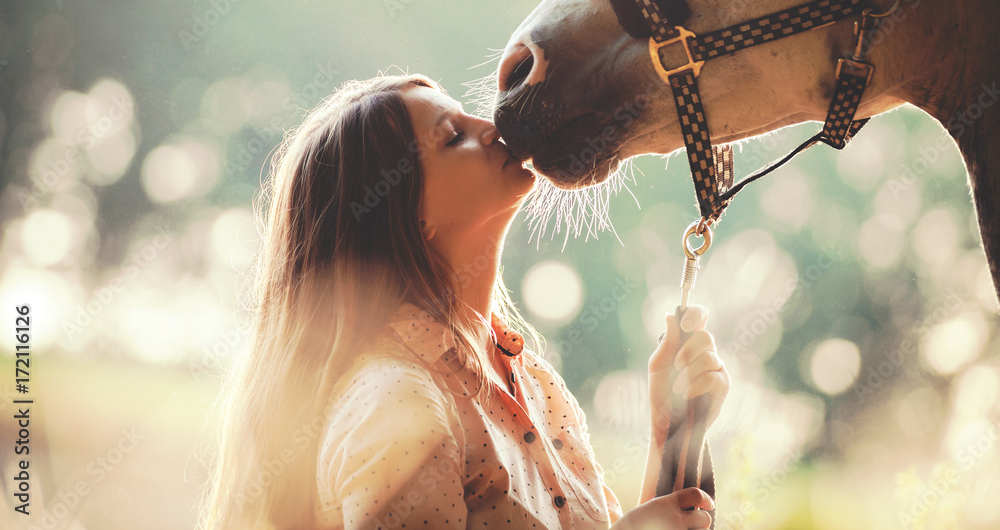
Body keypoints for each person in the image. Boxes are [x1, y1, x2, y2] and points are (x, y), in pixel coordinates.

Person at [199, 74, 730, 530]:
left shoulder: (533, 381)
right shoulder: (398, 400)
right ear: (407, 214)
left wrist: (671, 430)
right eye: (453, 138)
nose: (493, 126)